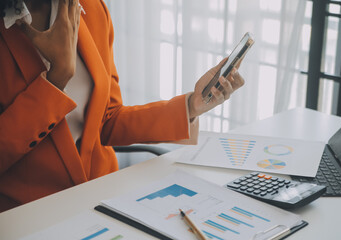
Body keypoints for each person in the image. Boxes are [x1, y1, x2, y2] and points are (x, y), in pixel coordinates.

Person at [0, 0, 245, 212]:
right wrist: (58, 78)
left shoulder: (92, 9)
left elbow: (107, 120)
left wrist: (192, 105)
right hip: (27, 214)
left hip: (105, 199)